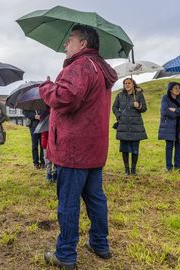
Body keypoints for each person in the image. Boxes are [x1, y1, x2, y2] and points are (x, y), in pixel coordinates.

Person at [39, 24, 118, 269]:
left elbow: (65, 97)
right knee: (95, 198)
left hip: (73, 149)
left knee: (68, 202)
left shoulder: (80, 65)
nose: (66, 44)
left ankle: (65, 254)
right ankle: (99, 243)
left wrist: (46, 88)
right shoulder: (99, 68)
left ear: (83, 44)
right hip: (93, 148)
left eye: (70, 39)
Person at [112, 78, 148, 175]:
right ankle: (126, 169)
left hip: (135, 125)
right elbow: (114, 107)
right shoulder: (120, 95)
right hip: (123, 124)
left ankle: (133, 169)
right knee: (124, 148)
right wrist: (119, 115)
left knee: (135, 148)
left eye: (129, 83)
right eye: (125, 83)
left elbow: (144, 108)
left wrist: (139, 106)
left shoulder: (139, 95)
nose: (127, 85)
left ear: (133, 84)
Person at [158, 82, 180, 172]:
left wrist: (175, 110)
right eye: (175, 88)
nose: (178, 89)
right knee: (169, 147)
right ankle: (169, 167)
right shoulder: (165, 98)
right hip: (169, 127)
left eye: (179, 88)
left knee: (179, 146)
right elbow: (165, 111)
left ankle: (177, 166)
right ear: (170, 89)